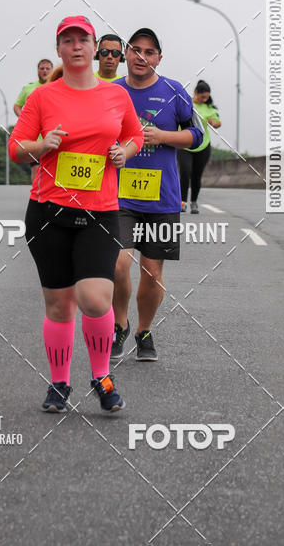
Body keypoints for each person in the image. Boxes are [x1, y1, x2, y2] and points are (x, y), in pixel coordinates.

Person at [8, 15, 143, 413]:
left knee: (95, 299)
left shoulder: (116, 96)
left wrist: (125, 152)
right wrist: (42, 145)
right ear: (59, 49)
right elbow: (16, 148)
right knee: (59, 305)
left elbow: (134, 134)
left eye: (82, 40)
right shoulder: (42, 97)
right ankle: (60, 383)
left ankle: (101, 376)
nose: (76, 46)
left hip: (100, 212)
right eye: (68, 41)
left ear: (94, 46)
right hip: (48, 212)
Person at [111, 28, 203, 362]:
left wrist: (162, 136)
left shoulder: (174, 91)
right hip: (118, 196)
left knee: (151, 271)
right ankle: (120, 325)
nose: (141, 57)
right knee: (118, 264)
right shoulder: (111, 91)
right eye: (136, 50)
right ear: (126, 53)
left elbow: (197, 135)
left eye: (149, 52)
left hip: (161, 197)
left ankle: (144, 330)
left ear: (159, 58)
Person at [178, 80, 221, 214]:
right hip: (184, 144)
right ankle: (182, 202)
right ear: (196, 92)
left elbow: (218, 122)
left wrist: (213, 122)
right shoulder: (186, 103)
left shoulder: (209, 108)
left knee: (197, 175)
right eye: (202, 97)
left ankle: (194, 202)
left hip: (202, 146)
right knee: (185, 172)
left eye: (207, 97)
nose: (204, 99)